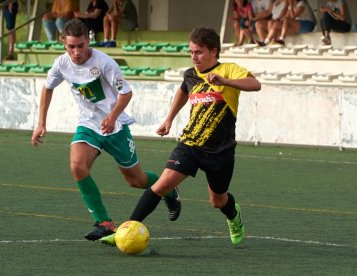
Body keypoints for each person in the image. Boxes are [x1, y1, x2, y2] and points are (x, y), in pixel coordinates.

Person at [101, 26, 261, 246]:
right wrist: (169, 118)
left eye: (199, 52)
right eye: (191, 52)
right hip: (190, 144)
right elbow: (183, 91)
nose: (194, 57)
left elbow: (256, 84)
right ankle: (124, 230)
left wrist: (226, 82)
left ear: (214, 51)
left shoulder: (229, 70)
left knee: (218, 200)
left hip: (221, 150)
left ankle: (234, 216)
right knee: (161, 185)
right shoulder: (190, 74)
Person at [31, 18, 181, 241]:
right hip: (89, 125)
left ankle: (168, 191)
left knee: (136, 180)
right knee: (77, 166)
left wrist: (112, 117)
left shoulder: (104, 63)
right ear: (64, 43)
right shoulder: (61, 63)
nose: (76, 52)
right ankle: (104, 222)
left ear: (88, 41)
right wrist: (41, 122)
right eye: (71, 46)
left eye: (81, 46)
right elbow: (47, 88)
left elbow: (126, 92)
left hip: (116, 127)